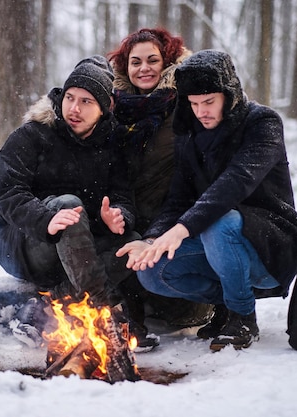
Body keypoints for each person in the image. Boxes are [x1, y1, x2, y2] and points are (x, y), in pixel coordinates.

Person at [116, 49, 297, 351]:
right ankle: (226, 305)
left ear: (228, 95)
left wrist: (181, 230)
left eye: (209, 102)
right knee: (151, 269)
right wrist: (154, 239)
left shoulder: (263, 123)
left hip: (272, 245)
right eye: (193, 104)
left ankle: (242, 315)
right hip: (216, 241)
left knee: (218, 221)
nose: (201, 111)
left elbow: (234, 183)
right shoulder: (189, 134)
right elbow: (178, 199)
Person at [0, 56, 145, 348]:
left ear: (104, 108)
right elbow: (7, 192)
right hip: (21, 241)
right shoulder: (33, 135)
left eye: (86, 102)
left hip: (76, 247)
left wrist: (118, 216)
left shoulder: (113, 145)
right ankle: (103, 309)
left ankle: (49, 303)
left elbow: (123, 198)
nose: (74, 108)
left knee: (132, 244)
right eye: (70, 98)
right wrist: (44, 218)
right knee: (68, 206)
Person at [107, 28, 212, 330]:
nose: (144, 69)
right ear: (124, 67)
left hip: (173, 213)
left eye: (153, 60)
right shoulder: (113, 107)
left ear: (167, 62)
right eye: (136, 62)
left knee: (177, 311)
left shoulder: (185, 104)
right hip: (125, 211)